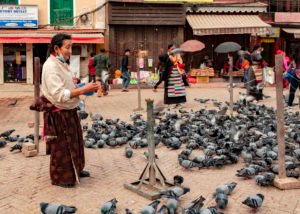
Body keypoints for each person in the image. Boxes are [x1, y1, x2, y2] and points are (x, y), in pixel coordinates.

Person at [34, 33, 99, 188]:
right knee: (62, 147)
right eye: (67, 47)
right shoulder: (50, 66)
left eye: (71, 46)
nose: (70, 50)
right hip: (59, 114)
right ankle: (61, 178)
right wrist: (83, 90)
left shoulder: (61, 63)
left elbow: (64, 86)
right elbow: (59, 94)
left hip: (69, 110)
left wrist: (75, 84)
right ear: (56, 48)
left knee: (75, 143)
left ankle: (76, 169)